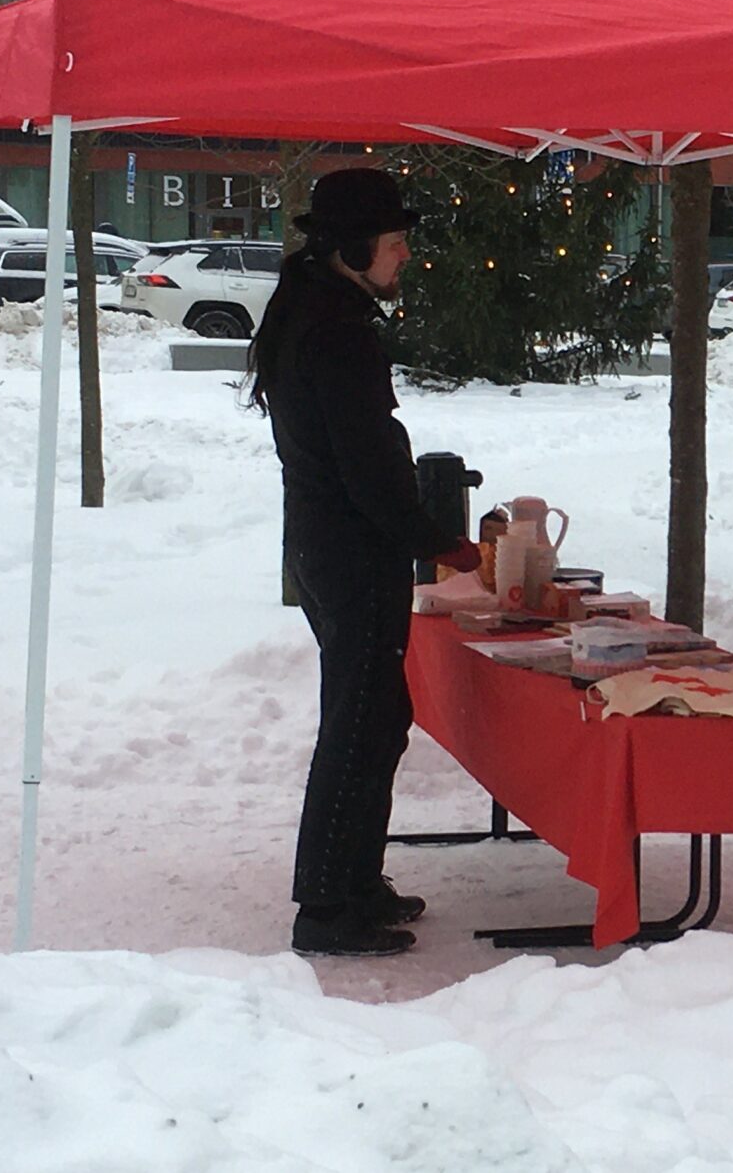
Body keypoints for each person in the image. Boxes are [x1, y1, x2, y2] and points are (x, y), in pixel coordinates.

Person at [249, 167, 480, 958]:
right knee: (360, 722)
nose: (405, 255)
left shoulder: (311, 306)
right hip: (352, 551)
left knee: (377, 716)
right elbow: (369, 467)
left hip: (326, 546)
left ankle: (354, 880)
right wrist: (437, 541)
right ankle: (325, 903)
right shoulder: (335, 328)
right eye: (396, 243)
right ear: (353, 248)